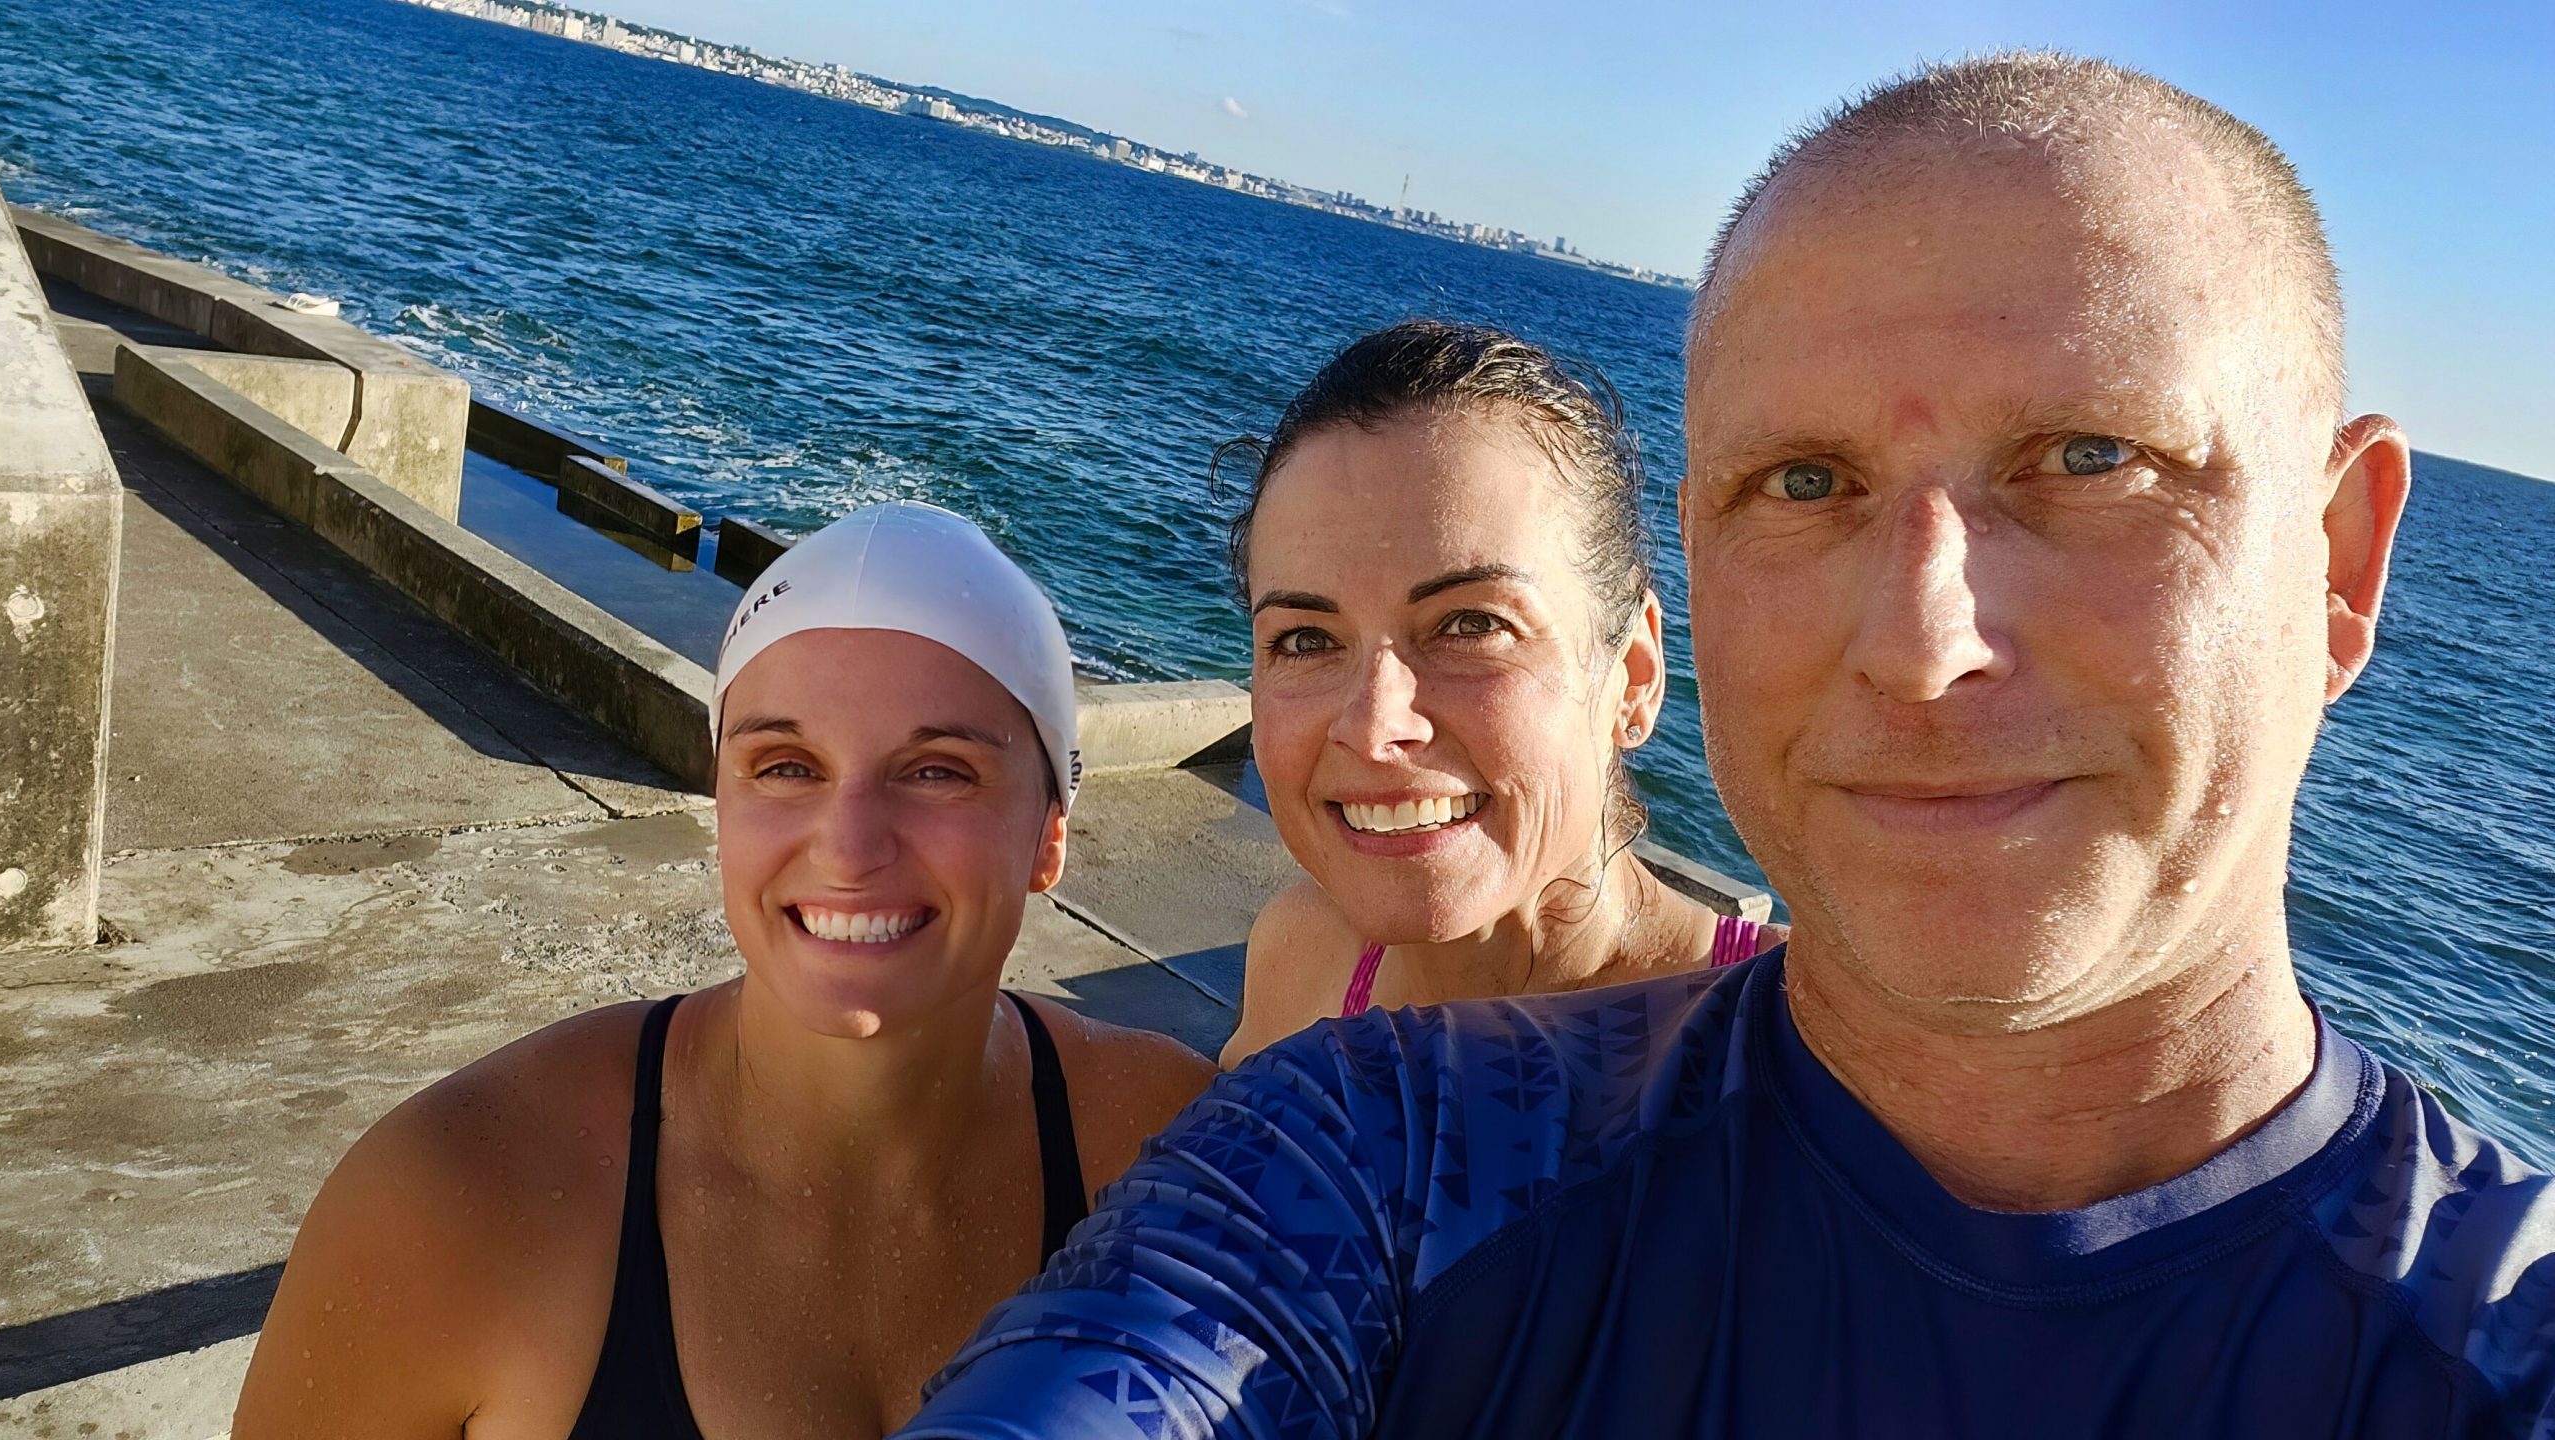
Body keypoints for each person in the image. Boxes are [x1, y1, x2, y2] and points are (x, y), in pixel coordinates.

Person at [894, 53, 2555, 1438]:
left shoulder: (2500, 1337)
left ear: (2339, 563)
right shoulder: (1372, 1151)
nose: (1920, 641)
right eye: (1807, 484)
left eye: (2089, 457)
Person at [233, 502, 1215, 1439]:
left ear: (1048, 836)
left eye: (937, 771)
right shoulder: (449, 1203)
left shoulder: (1178, 1154)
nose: (848, 848)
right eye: (785, 765)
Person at [1215, 321, 1778, 1067]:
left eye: (1472, 624)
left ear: (1634, 676)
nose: (1375, 726)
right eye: (1306, 640)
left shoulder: (1810, 1050)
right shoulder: (1301, 961)